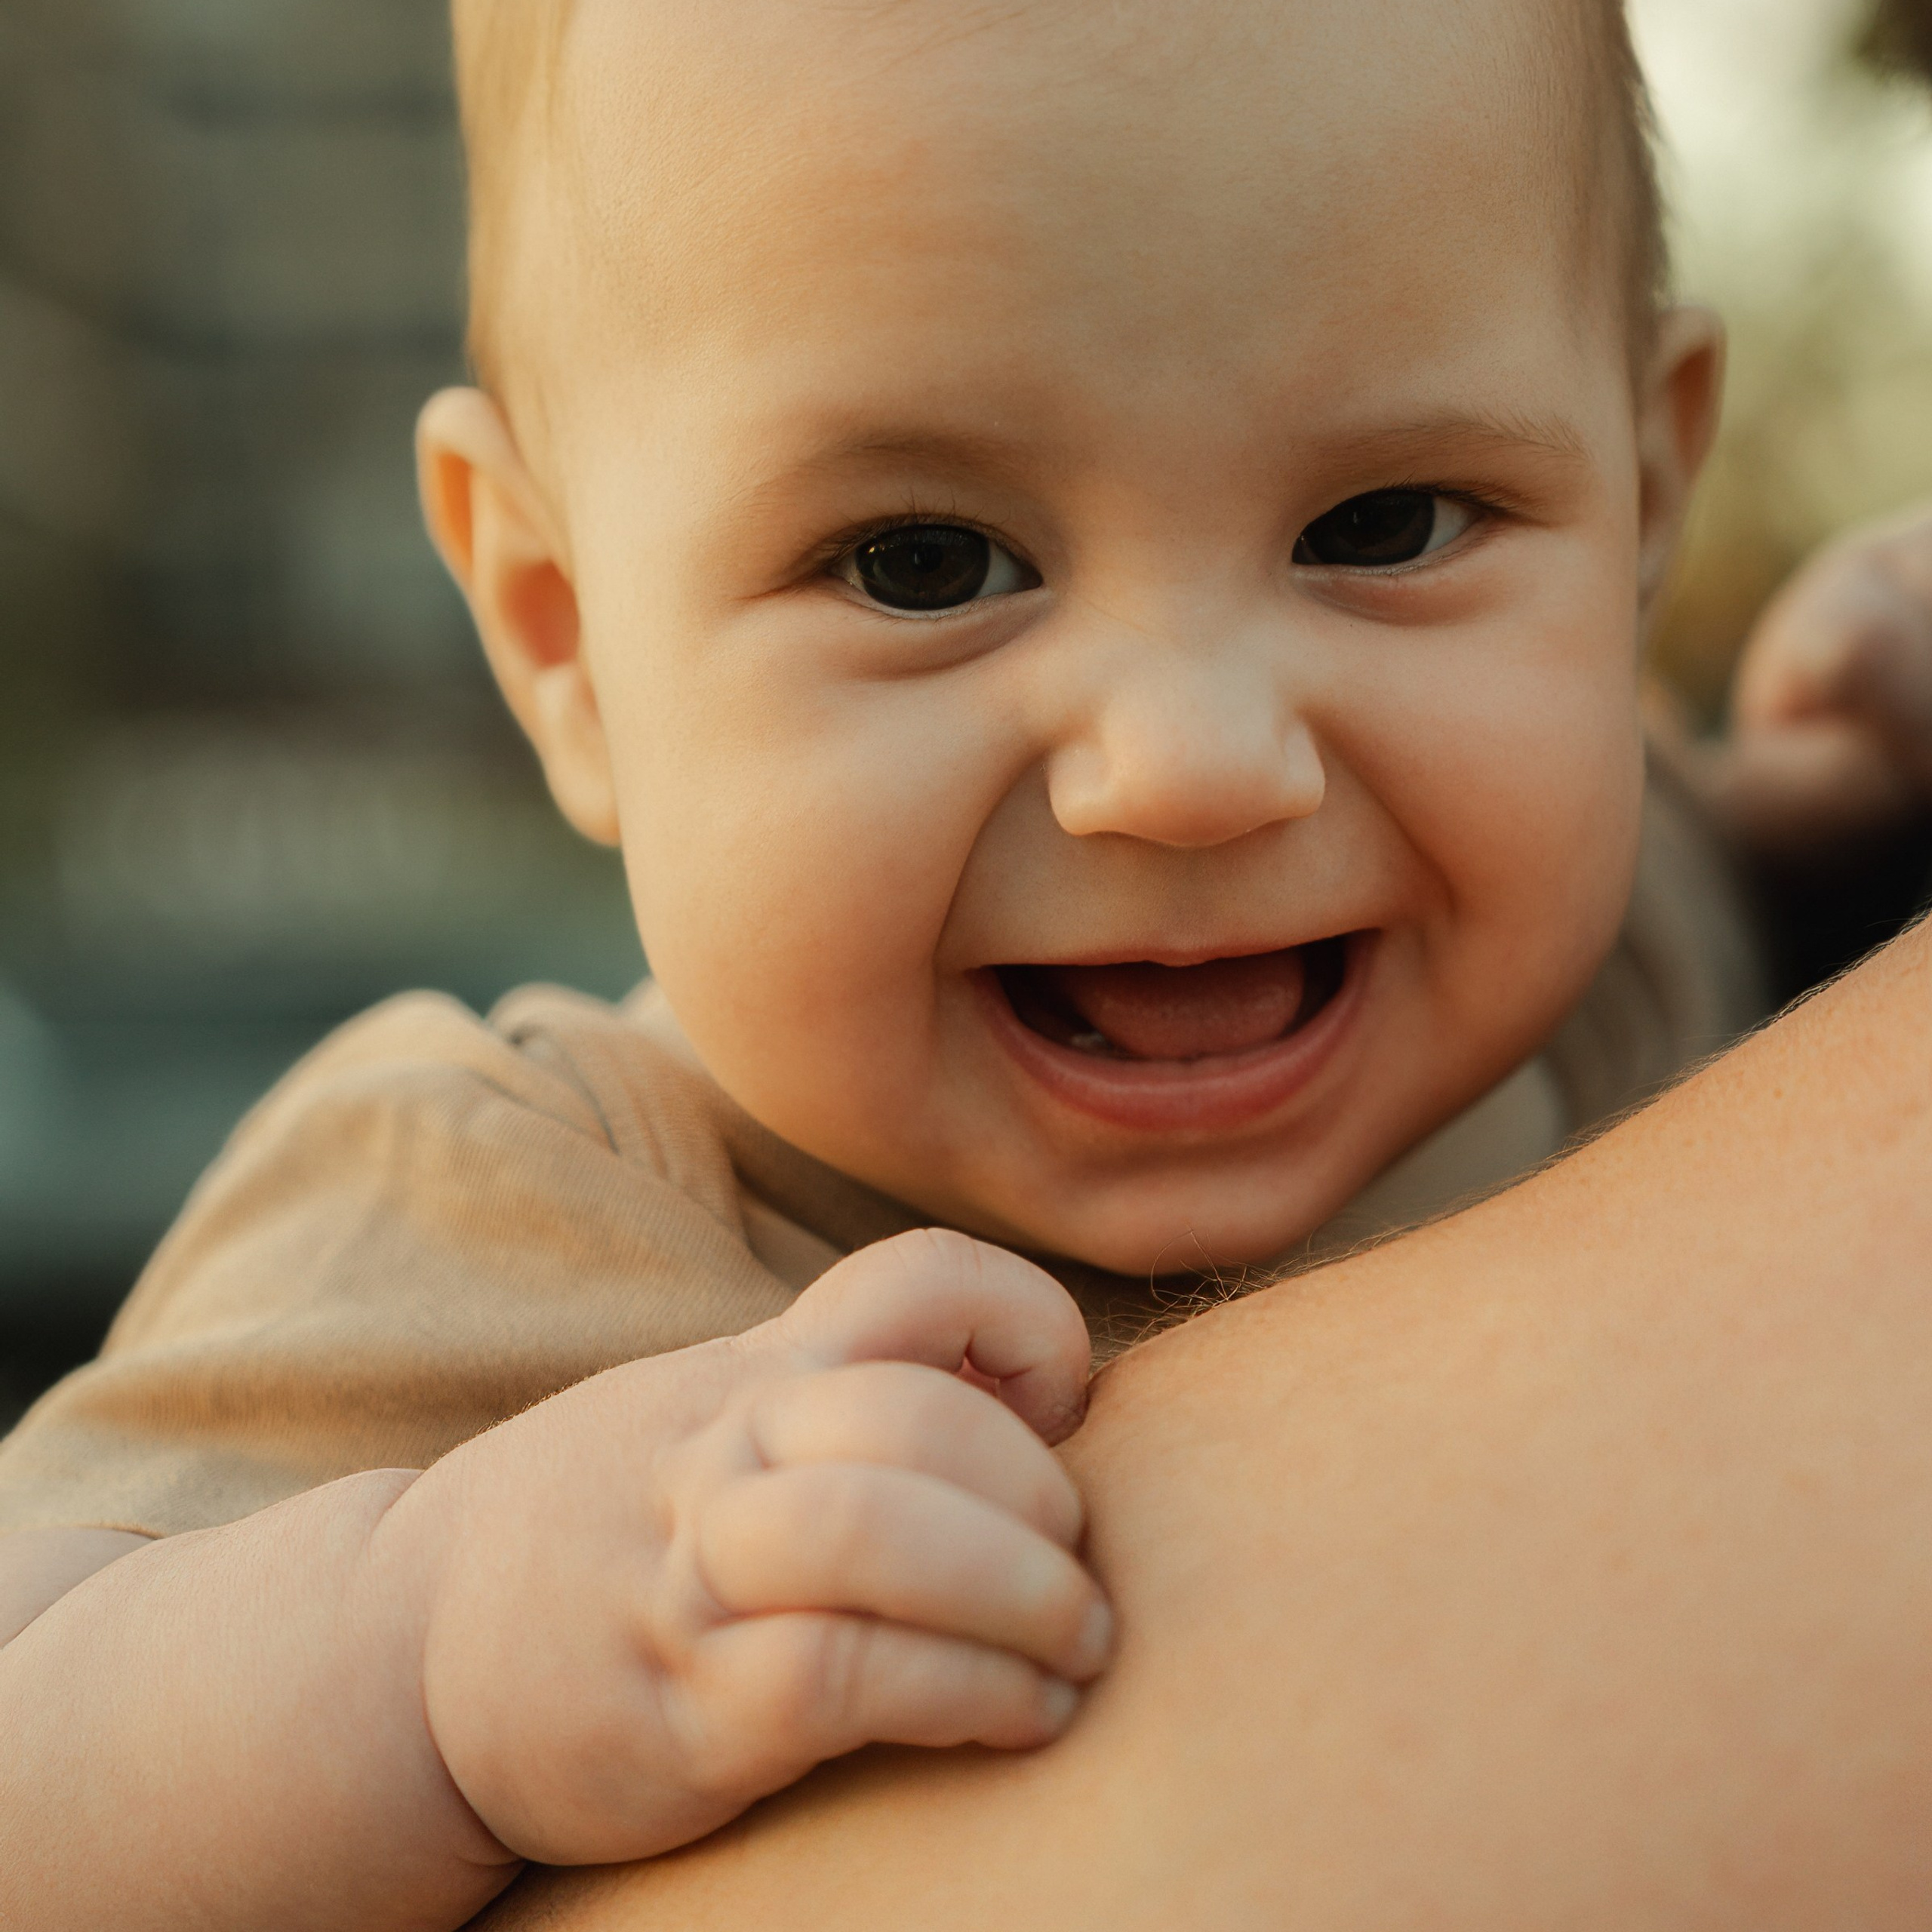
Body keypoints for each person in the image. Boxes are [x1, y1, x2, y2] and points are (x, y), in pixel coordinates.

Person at [0, 0, 1927, 1924]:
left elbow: (1761, 851)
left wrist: (1861, 754)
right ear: (561, 631)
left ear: (1648, 508)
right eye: (922, 562)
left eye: (1383, 524)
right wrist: (409, 1643)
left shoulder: (1621, 945)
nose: (1187, 764)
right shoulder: (499, 1191)